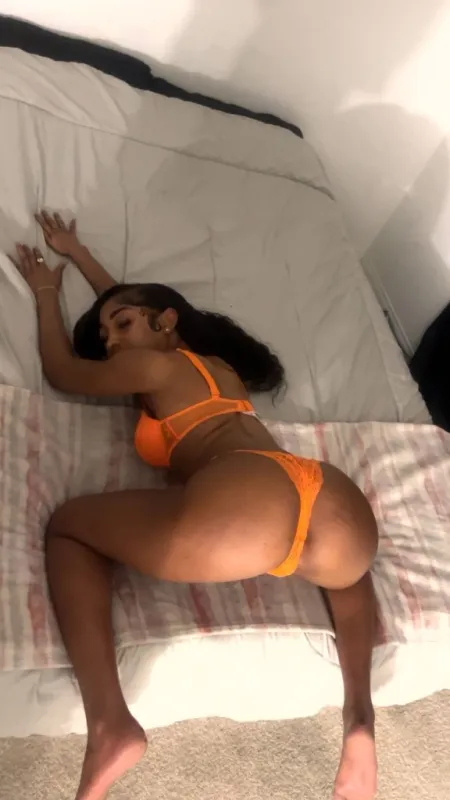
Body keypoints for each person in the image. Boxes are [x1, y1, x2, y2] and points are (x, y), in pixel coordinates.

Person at [11, 211, 379, 800]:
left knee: (69, 530)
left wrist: (46, 290)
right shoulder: (216, 367)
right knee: (349, 576)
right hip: (327, 492)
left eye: (119, 327)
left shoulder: (155, 363)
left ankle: (109, 724)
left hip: (248, 494)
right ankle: (360, 716)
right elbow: (129, 305)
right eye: (106, 338)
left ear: (167, 321)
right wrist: (78, 253)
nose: (111, 343)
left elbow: (61, 369)